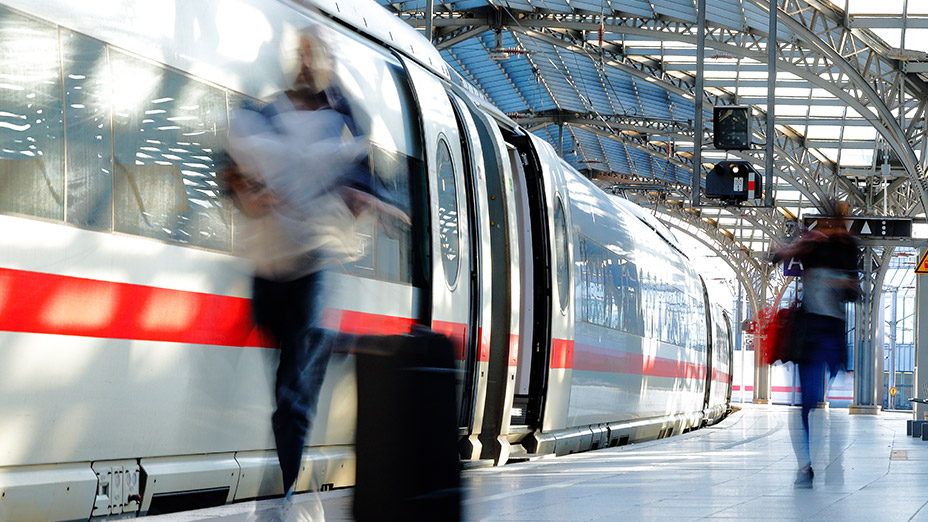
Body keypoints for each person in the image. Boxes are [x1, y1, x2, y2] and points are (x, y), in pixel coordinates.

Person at [220, 24, 406, 509]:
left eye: (313, 56)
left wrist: (366, 198)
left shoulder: (343, 119)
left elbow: (371, 178)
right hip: (268, 265)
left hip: (314, 262)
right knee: (284, 367)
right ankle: (335, 342)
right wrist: (247, 189)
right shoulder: (266, 113)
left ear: (326, 65)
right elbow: (228, 170)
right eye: (299, 54)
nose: (304, 64)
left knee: (292, 392)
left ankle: (283, 491)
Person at [773, 199, 860, 488]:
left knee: (811, 402)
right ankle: (808, 465)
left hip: (825, 331)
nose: (836, 227)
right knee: (809, 401)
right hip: (817, 331)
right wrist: (791, 247)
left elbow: (854, 291)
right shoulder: (819, 245)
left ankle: (812, 463)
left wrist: (844, 284)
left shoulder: (845, 247)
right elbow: (776, 256)